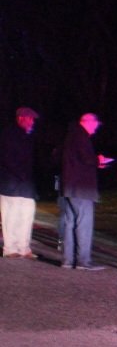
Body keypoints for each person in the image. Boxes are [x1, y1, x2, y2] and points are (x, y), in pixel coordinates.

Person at [61, 113, 112, 270]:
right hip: (82, 188)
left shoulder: (70, 136)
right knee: (84, 223)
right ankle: (84, 261)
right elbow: (86, 159)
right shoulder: (81, 137)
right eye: (96, 124)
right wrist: (99, 160)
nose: (96, 128)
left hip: (69, 187)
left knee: (70, 223)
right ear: (89, 122)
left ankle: (68, 261)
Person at [0, 107, 40, 259]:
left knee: (26, 215)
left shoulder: (28, 136)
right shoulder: (8, 134)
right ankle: (10, 248)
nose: (32, 122)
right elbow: (7, 158)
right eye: (29, 119)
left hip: (25, 185)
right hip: (11, 183)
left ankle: (24, 247)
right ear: (21, 118)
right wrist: (22, 174)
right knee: (10, 216)